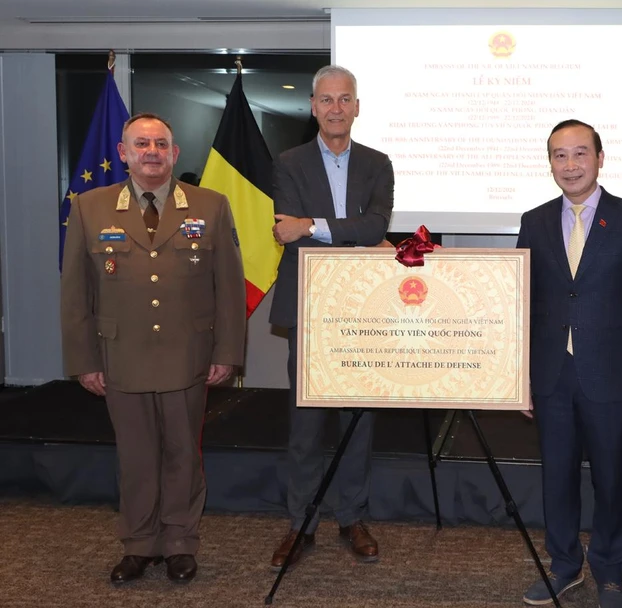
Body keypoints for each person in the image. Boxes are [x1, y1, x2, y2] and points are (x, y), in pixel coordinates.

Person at [61, 113, 246, 585]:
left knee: (184, 452)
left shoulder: (211, 205)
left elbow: (228, 286)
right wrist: (83, 360)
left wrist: (227, 351)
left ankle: (180, 542)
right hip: (121, 355)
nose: (152, 152)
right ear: (123, 153)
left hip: (189, 355)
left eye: (161, 144)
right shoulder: (89, 207)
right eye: (141, 144)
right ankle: (139, 544)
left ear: (174, 153)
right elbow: (76, 293)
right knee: (136, 455)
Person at [516, 119, 622, 608]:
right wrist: (518, 378)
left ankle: (609, 570)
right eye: (560, 154)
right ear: (550, 162)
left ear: (600, 158)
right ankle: (562, 565)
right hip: (551, 377)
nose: (571, 164)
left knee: (610, 479)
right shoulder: (533, 221)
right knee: (556, 477)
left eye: (581, 153)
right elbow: (522, 304)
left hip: (612, 377)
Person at [268, 64, 394, 569]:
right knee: (305, 421)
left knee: (358, 421)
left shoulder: (378, 163)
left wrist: (312, 225)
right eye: (327, 100)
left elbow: (376, 225)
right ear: (314, 107)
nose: (336, 108)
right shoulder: (289, 162)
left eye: (345, 99)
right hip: (309, 307)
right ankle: (300, 523)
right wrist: (339, 229)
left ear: (357, 107)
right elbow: (286, 230)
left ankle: (352, 517)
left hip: (361, 308)